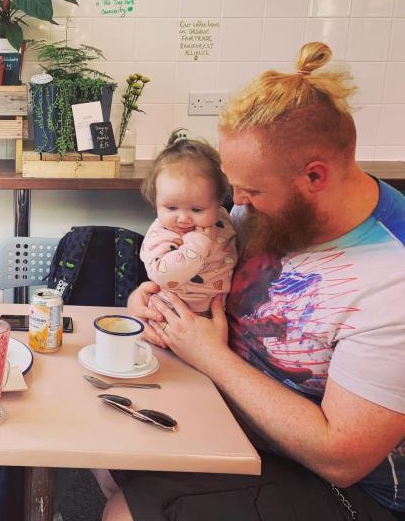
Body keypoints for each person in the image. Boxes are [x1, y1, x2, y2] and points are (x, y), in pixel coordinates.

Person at [103, 42, 405, 521]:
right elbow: (197, 274)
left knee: (126, 511)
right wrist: (152, 294)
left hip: (339, 485)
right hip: (229, 413)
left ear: (314, 176)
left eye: (251, 190)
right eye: (231, 186)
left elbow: (342, 457)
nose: (235, 203)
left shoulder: (391, 279)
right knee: (105, 449)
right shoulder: (258, 215)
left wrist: (210, 357)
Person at [138, 129, 237, 317]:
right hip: (170, 314)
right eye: (171, 208)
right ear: (156, 200)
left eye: (197, 210)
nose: (183, 218)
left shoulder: (222, 219)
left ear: (218, 203)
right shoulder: (162, 233)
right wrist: (197, 246)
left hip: (217, 313)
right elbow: (162, 275)